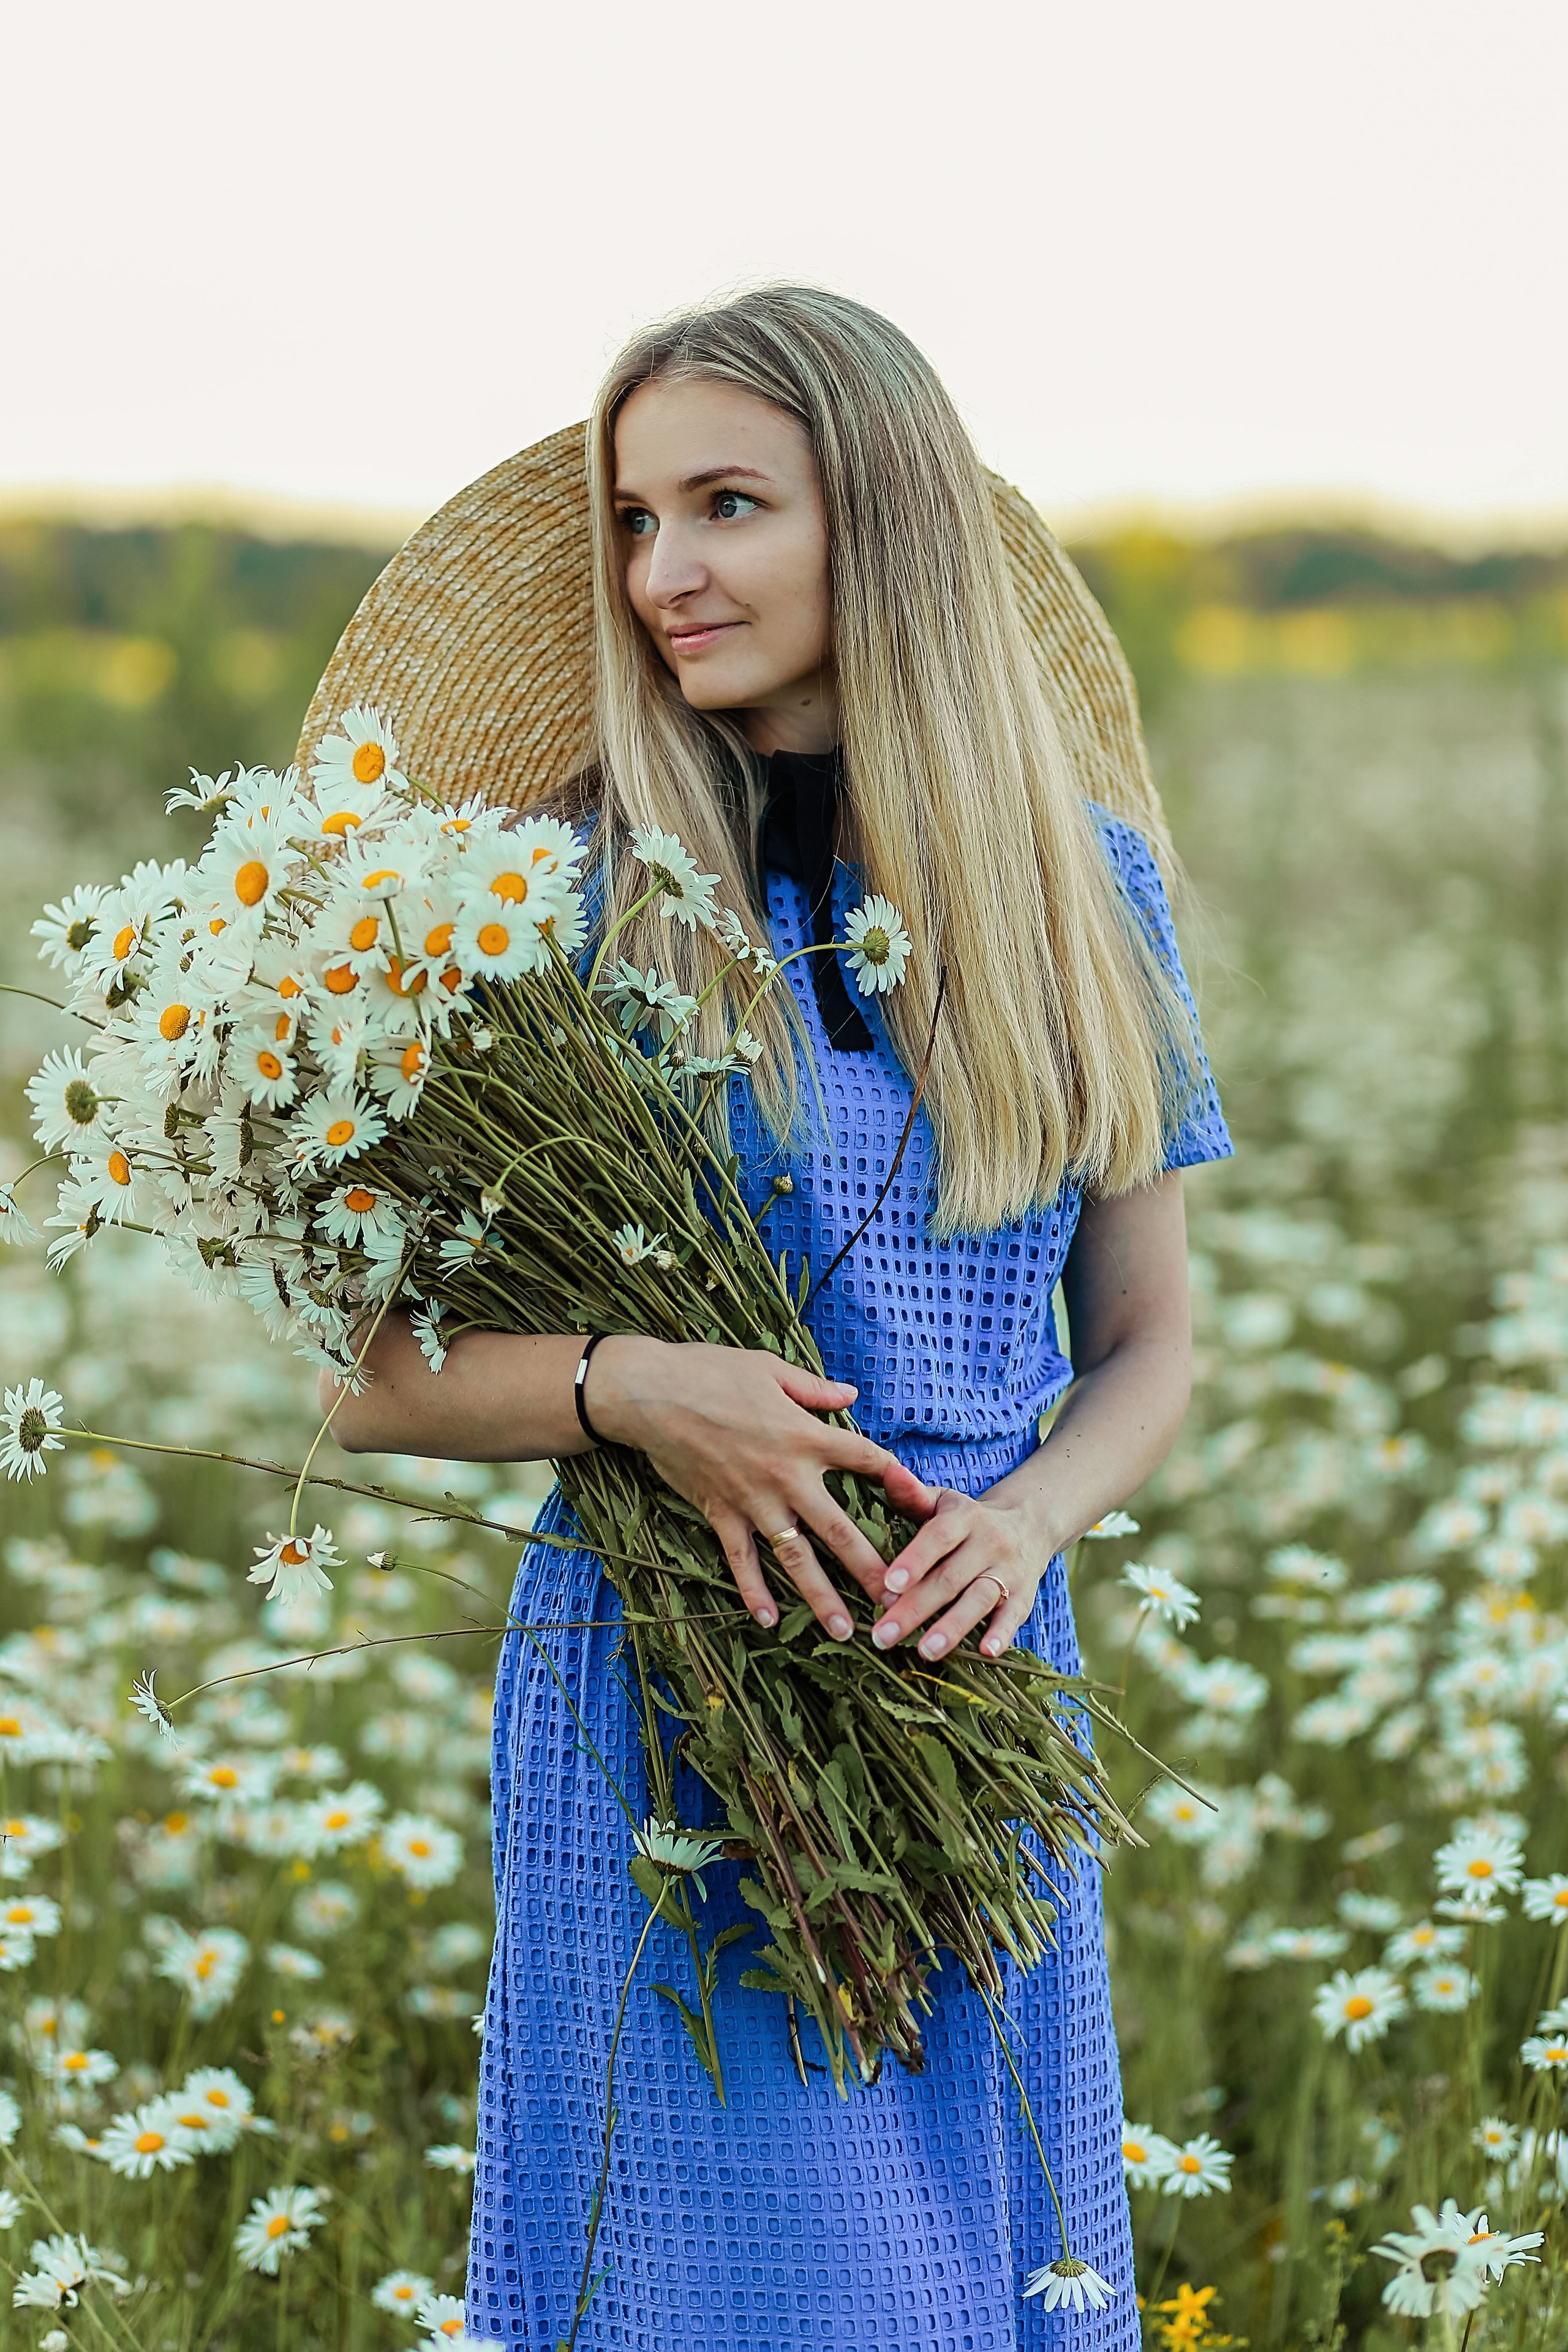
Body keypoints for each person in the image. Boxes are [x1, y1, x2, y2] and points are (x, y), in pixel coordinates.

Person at [322, 285, 1232, 2351]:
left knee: (979, 2268)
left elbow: (1150, 1341)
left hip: (971, 1675)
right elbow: (368, 1378)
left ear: (880, 520)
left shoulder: (1082, 892)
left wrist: (1027, 1523)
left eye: (727, 505)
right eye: (636, 519)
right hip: (661, 1689)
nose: (666, 572)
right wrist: (633, 1389)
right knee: (722, 2280)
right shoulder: (550, 894)